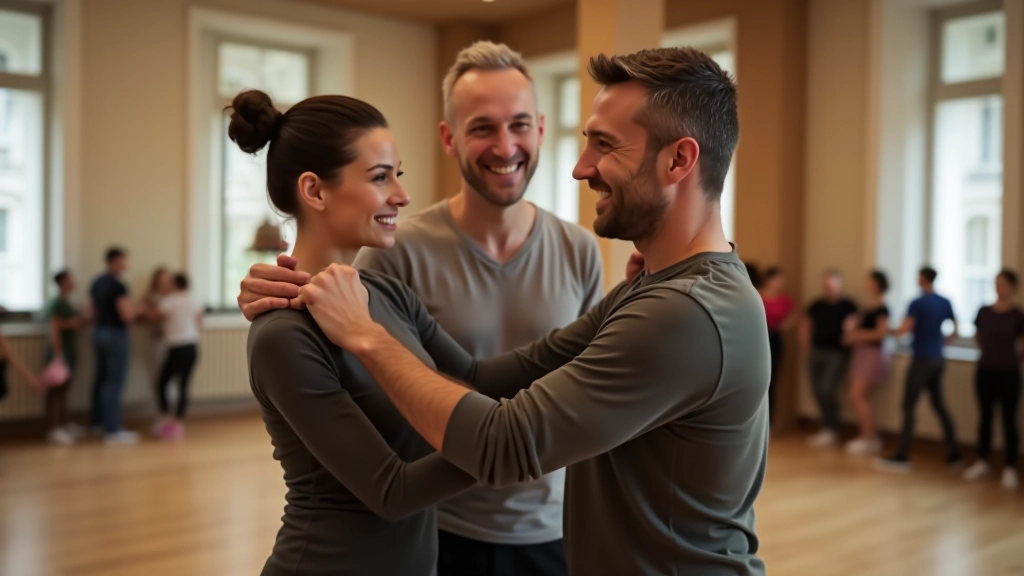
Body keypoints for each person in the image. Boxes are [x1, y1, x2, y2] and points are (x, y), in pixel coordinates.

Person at [244, 47, 768, 575]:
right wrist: (632, 295)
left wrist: (366, 336)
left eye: (604, 144)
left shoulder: (681, 310)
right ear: (313, 190)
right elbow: (475, 381)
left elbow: (507, 439)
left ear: (679, 160)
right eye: (382, 177)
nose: (580, 167)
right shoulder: (666, 293)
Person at [228, 89, 513, 576]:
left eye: (397, 176)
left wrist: (623, 304)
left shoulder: (387, 293)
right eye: (381, 177)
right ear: (315, 190)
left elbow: (478, 376)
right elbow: (392, 491)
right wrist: (521, 442)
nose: (402, 196)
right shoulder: (284, 334)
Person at [349, 41, 603, 576]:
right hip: (437, 530)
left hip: (554, 533)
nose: (505, 145)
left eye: (518, 125)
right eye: (483, 127)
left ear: (540, 126)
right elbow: (368, 392)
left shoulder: (580, 250)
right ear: (449, 137)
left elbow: (590, 400)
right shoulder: (397, 253)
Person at [875, 266, 962, 472]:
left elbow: (904, 330)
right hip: (938, 358)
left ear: (922, 279)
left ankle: (902, 455)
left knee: (908, 406)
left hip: (922, 359)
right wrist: (942, 344)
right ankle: (955, 454)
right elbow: (956, 329)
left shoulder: (917, 303)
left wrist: (885, 330)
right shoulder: (944, 302)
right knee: (939, 404)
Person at [962, 269, 1024, 490]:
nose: (999, 287)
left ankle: (1009, 467)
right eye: (996, 283)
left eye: (1004, 283)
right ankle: (982, 462)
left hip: (1008, 373)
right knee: (985, 417)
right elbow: (979, 337)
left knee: (1008, 419)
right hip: (985, 370)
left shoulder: (1017, 315)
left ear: (1013, 287)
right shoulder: (984, 311)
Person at [89, 247, 142, 444]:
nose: (126, 263)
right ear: (116, 260)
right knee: (114, 381)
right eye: (124, 260)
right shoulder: (118, 286)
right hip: (115, 335)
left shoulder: (97, 283)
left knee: (101, 379)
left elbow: (90, 312)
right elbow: (127, 316)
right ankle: (113, 429)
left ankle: (98, 423)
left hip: (99, 332)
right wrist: (139, 308)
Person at [800, 270, 857, 448]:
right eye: (826, 285)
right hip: (817, 352)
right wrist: (807, 345)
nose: (829, 289)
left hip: (836, 354)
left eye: (832, 285)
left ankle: (831, 428)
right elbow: (806, 325)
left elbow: (852, 328)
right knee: (817, 389)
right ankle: (826, 427)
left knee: (827, 389)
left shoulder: (848, 306)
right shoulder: (816, 305)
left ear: (839, 285)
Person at [149, 272, 204, 441]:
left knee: (161, 383)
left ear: (174, 284)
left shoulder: (168, 301)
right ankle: (178, 423)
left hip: (177, 348)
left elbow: (153, 317)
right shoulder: (193, 300)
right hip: (192, 347)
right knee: (183, 385)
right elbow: (199, 322)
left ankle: (166, 420)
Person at [842, 270, 890, 455]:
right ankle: (867, 436)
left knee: (857, 396)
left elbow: (880, 333)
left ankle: (870, 438)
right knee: (857, 396)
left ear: (877, 284)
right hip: (862, 353)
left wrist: (857, 335)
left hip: (872, 354)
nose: (866, 284)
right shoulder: (870, 307)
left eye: (869, 281)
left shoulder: (882, 308)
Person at [44, 269, 87, 445]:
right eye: (70, 279)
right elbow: (54, 327)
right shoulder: (56, 303)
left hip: (69, 352)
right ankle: (55, 429)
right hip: (60, 354)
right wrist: (58, 354)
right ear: (62, 282)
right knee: (56, 391)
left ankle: (63, 424)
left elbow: (76, 324)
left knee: (64, 390)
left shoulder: (68, 303)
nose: (74, 282)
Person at [760, 267, 797, 423]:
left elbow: (794, 315)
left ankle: (769, 422)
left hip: (775, 339)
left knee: (771, 381)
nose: (781, 283)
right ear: (769, 280)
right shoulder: (758, 295)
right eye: (778, 279)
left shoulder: (784, 299)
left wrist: (784, 325)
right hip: (759, 338)